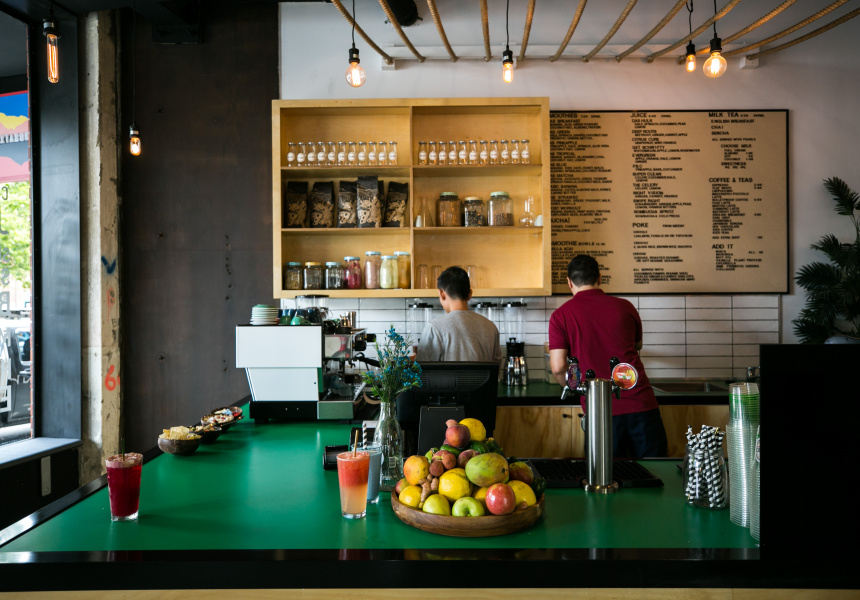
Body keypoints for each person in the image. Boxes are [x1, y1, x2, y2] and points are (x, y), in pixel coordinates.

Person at [548, 254, 668, 458]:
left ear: (569, 282)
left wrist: (577, 390)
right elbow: (637, 345)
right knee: (655, 475)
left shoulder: (560, 316)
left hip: (600, 410)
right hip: (642, 406)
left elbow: (558, 368)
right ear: (600, 278)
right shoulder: (625, 307)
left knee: (606, 480)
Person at [415, 266, 501, 363]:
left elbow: (421, 372)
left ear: (442, 294)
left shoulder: (434, 328)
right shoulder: (490, 327)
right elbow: (496, 369)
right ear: (470, 294)